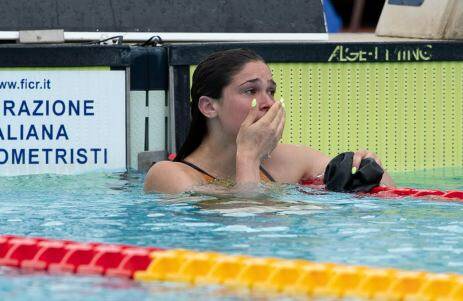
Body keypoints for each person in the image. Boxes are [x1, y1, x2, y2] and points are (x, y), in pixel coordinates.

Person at [144, 48, 394, 194]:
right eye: (250, 91)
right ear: (209, 106)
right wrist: (249, 157)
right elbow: (249, 231)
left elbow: (389, 193)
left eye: (271, 91)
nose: (268, 103)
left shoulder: (288, 161)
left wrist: (367, 170)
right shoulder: (170, 176)